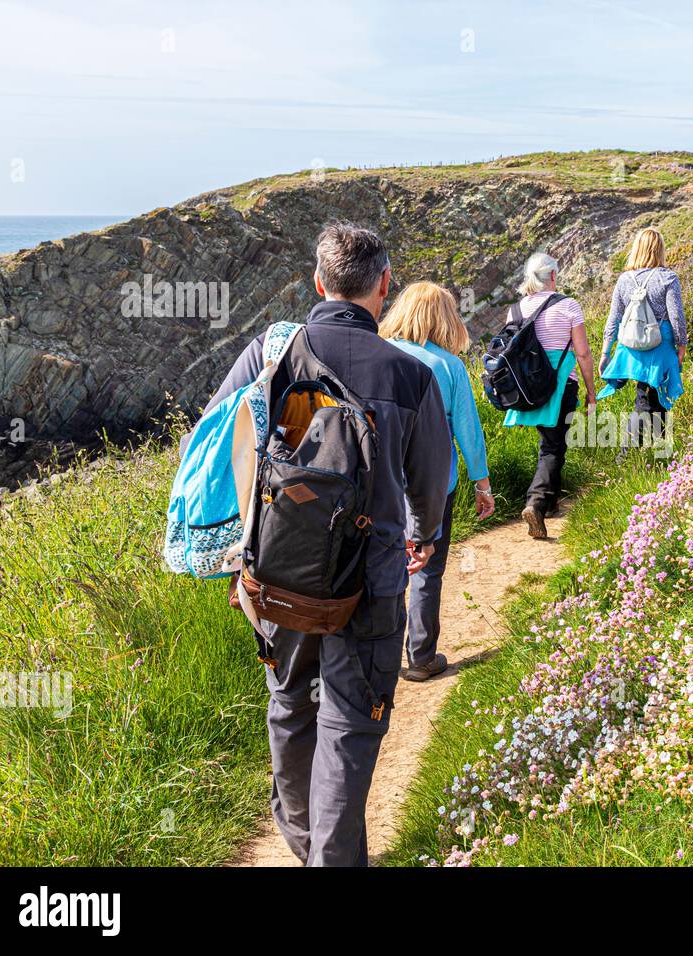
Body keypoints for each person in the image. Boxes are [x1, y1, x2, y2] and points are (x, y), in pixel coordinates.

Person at [200, 221, 450, 866]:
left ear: (318, 281)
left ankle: (308, 845)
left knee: (289, 704)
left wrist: (240, 548)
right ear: (384, 285)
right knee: (350, 723)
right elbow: (431, 483)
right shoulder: (409, 373)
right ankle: (333, 860)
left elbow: (212, 444)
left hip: (278, 571)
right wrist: (422, 537)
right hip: (371, 577)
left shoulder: (269, 356)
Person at [378, 281, 494, 683]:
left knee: (383, 564)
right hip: (433, 484)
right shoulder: (449, 366)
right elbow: (468, 431)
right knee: (427, 567)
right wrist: (482, 484)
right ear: (445, 318)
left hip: (381, 482)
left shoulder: (381, 356)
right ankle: (422, 657)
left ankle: (376, 659)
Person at [501, 252, 596, 539]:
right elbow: (583, 352)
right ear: (553, 276)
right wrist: (591, 393)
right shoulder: (568, 306)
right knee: (554, 447)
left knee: (549, 442)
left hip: (529, 390)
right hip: (561, 386)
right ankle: (537, 503)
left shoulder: (515, 310)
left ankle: (550, 502)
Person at [598, 227, 686, 452]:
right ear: (659, 250)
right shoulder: (668, 277)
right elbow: (676, 316)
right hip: (659, 348)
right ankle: (627, 455)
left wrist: (605, 352)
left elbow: (614, 318)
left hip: (632, 348)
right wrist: (681, 346)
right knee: (647, 400)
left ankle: (662, 454)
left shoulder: (624, 280)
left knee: (652, 398)